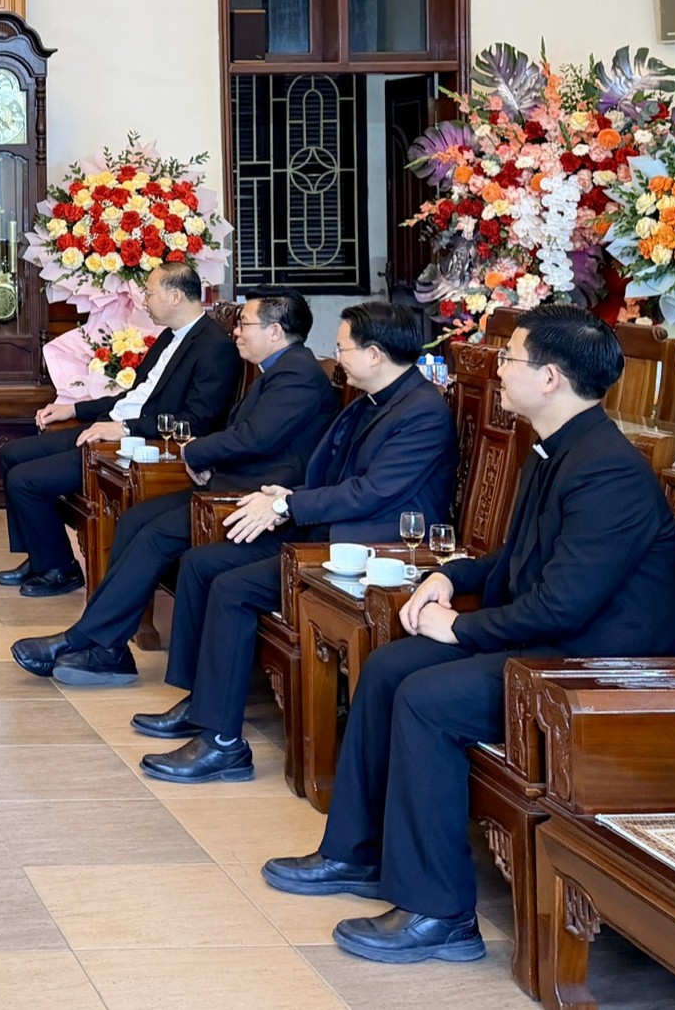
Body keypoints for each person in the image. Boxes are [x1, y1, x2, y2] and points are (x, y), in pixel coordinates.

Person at [260, 305, 675, 965]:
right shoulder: (557, 449)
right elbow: (517, 564)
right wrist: (449, 576)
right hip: (559, 641)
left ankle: (440, 913)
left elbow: (561, 605)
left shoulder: (607, 470)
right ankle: (358, 852)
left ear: (550, 377)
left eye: (510, 359)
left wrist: (461, 626)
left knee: (428, 700)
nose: (499, 369)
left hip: (599, 665)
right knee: (390, 666)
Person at [135, 300, 459, 783]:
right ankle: (203, 703)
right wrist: (286, 496)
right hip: (330, 530)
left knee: (232, 588)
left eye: (343, 348)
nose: (336, 358)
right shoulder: (373, 399)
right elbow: (333, 476)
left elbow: (372, 492)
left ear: (374, 354)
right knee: (203, 565)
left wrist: (289, 506)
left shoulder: (422, 412)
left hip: (377, 545)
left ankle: (223, 744)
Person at [7, 285, 318, 683]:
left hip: (250, 498)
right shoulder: (279, 369)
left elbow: (253, 439)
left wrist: (196, 453)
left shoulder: (297, 374)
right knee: (134, 520)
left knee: (154, 535)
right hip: (229, 483)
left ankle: (87, 641)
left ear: (275, 331)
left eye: (245, 324)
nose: (237, 332)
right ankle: (108, 647)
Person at [0, 261, 241, 599]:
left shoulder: (214, 347)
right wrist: (73, 408)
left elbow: (195, 420)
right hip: (113, 425)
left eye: (149, 293)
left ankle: (60, 570)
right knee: (11, 454)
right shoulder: (169, 336)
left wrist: (124, 429)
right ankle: (41, 556)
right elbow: (133, 396)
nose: (144, 301)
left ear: (175, 296)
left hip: (139, 443)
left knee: (25, 480)